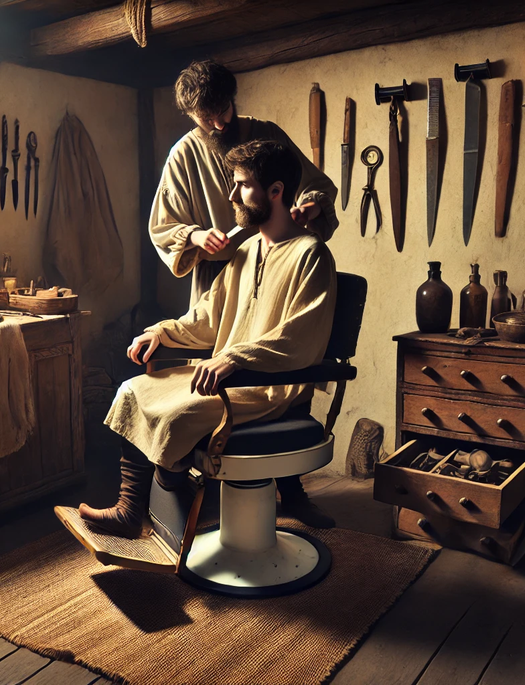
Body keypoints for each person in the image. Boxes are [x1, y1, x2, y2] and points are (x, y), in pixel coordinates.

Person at [80, 140, 337, 538]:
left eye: (243, 185)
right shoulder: (247, 249)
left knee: (174, 413)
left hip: (267, 388)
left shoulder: (311, 254)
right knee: (133, 389)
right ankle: (131, 509)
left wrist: (236, 358)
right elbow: (207, 316)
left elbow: (299, 337)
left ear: (276, 191)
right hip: (222, 376)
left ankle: (177, 501)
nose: (232, 195)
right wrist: (160, 332)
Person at [146, 59, 340, 528]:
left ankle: (289, 489)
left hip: (283, 260)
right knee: (216, 367)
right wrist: (194, 237)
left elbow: (311, 183)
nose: (220, 122)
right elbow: (163, 225)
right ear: (191, 114)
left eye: (224, 108)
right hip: (224, 275)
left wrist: (310, 203)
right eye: (206, 116)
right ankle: (205, 496)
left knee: (279, 366)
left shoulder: (266, 135)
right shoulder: (183, 155)